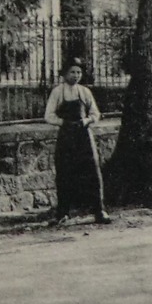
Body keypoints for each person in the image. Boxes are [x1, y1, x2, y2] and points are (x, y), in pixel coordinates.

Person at [44, 58, 111, 225]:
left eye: (79, 72)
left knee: (92, 173)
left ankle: (99, 210)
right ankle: (63, 213)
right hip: (66, 137)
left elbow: (95, 113)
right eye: (72, 72)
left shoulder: (85, 92)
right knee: (65, 173)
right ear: (65, 74)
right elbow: (48, 115)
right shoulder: (58, 92)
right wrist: (64, 123)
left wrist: (86, 121)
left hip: (84, 136)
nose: (76, 76)